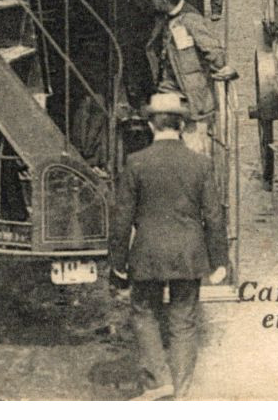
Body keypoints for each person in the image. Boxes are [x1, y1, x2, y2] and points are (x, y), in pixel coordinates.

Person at [108, 91, 229, 401]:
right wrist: (219, 263)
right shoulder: (200, 164)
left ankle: (158, 379)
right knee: (185, 319)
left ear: (151, 125)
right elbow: (214, 216)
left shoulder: (136, 163)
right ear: (181, 125)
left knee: (144, 312)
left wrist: (117, 264)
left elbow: (122, 219)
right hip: (189, 254)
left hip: (147, 253)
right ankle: (182, 390)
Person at [141, 0, 229, 156]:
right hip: (170, 90)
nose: (151, 2)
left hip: (191, 96)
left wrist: (219, 69)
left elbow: (214, 52)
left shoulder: (191, 19)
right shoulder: (166, 18)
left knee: (194, 148)